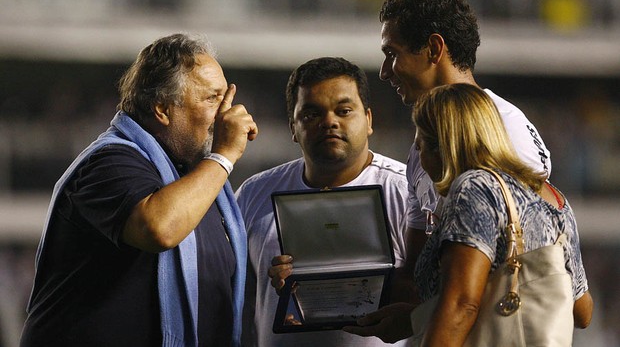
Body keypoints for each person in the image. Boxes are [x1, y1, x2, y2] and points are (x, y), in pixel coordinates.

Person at [20, 33, 258, 347]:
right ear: (162, 109)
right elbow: (159, 228)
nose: (227, 113)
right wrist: (223, 156)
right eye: (212, 99)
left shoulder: (199, 181)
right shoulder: (108, 163)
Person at [344, 0, 555, 342]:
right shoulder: (421, 149)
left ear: (433, 48)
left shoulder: (505, 130)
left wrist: (427, 320)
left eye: (392, 53)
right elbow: (415, 278)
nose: (384, 71)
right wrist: (314, 283)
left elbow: (515, 282)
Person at [235, 57, 411, 347]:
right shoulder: (254, 193)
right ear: (293, 127)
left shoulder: (407, 191)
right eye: (311, 114)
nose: (330, 122)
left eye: (344, 110)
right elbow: (232, 298)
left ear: (368, 120)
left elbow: (437, 299)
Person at [408, 83, 593, 345]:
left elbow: (462, 305)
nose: (420, 156)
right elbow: (583, 311)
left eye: (420, 146)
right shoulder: (554, 198)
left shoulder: (474, 187)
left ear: (444, 146)